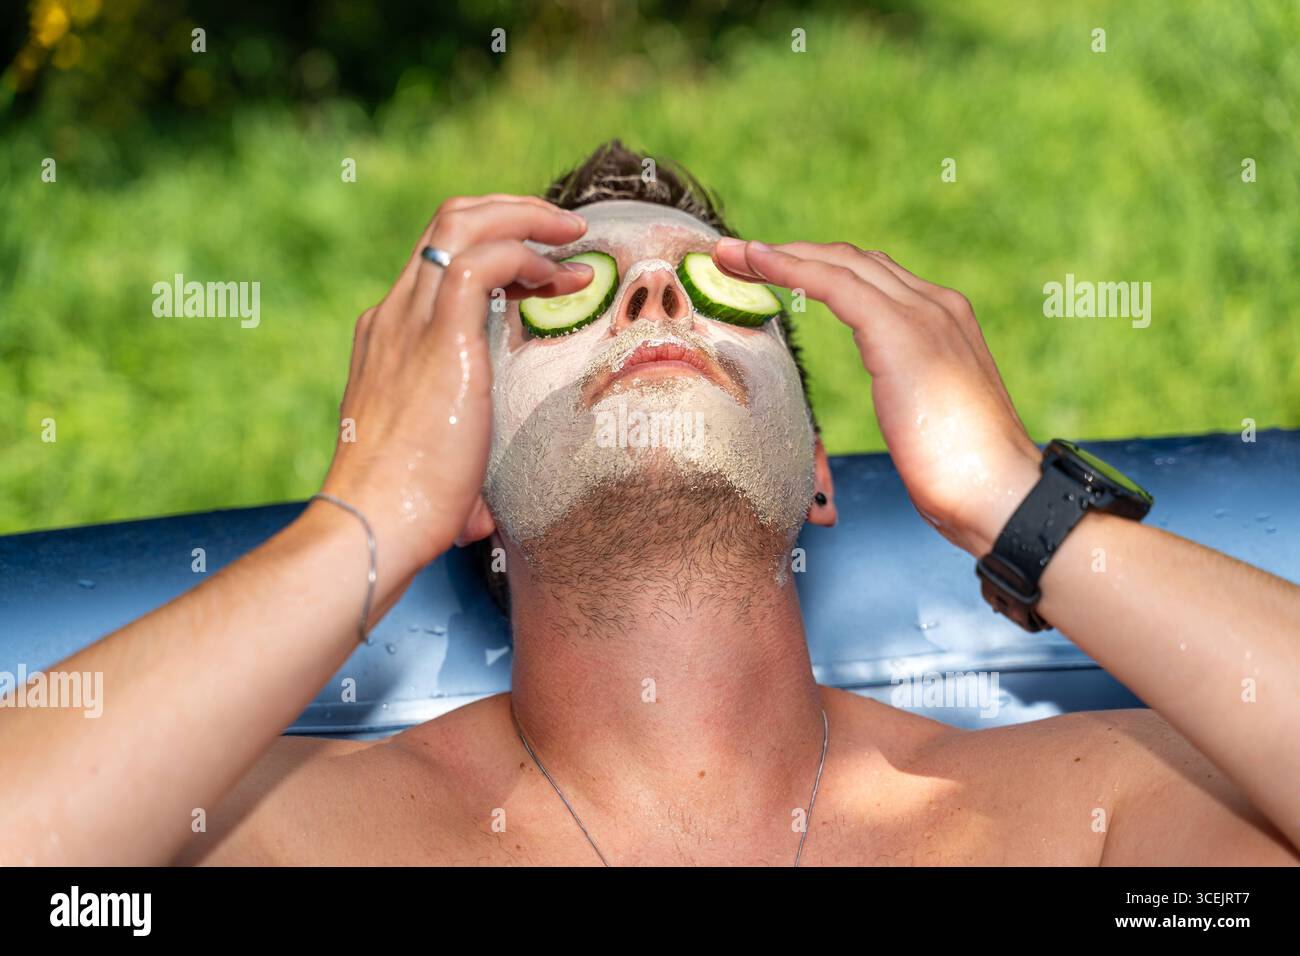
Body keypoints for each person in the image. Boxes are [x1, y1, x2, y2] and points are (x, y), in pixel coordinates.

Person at [3, 142, 1297, 866]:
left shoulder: (1088, 820)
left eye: (712, 284)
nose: (652, 301)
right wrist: (372, 511)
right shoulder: (287, 839)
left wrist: (1017, 505)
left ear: (814, 477)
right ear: (464, 484)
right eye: (566, 295)